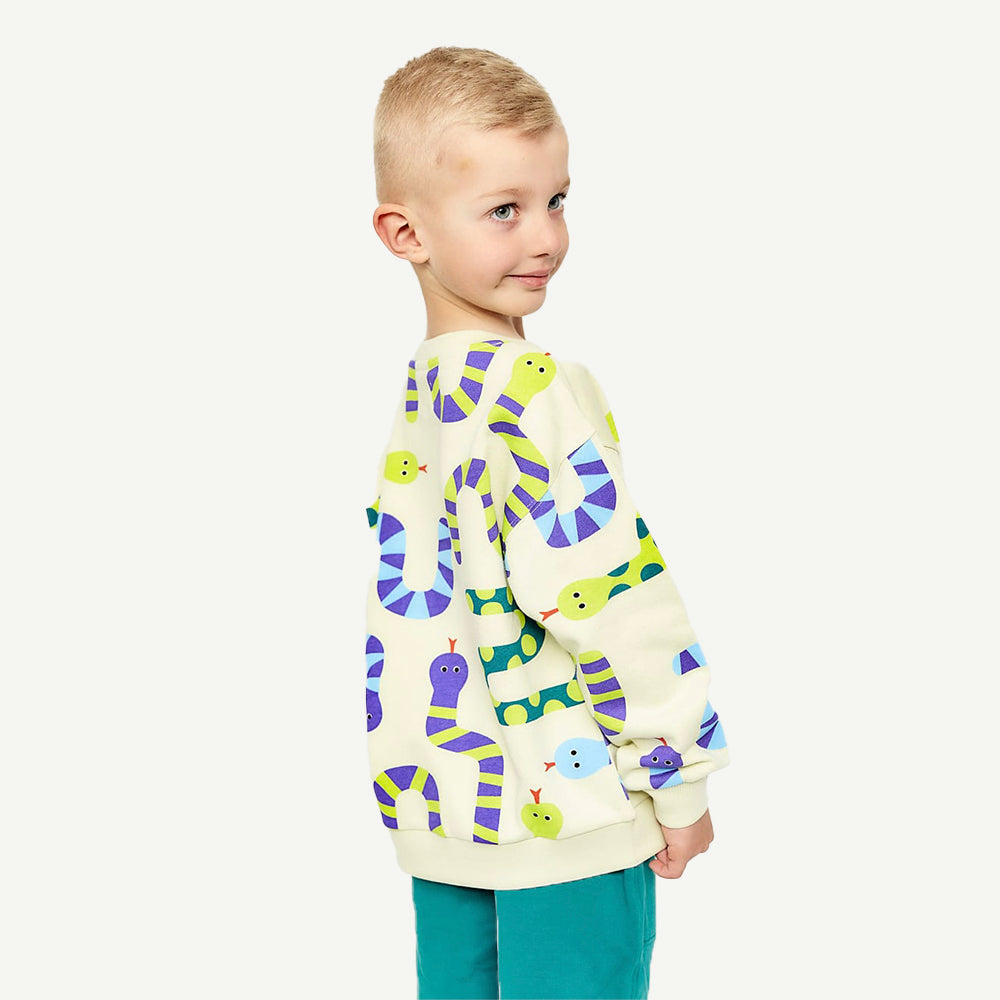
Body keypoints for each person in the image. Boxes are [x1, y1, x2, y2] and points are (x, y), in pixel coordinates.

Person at [365, 47, 730, 1000]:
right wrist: (676, 773)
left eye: (557, 200)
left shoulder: (425, 398)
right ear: (405, 232)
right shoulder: (535, 389)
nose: (546, 237)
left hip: (448, 818)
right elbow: (611, 598)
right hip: (571, 822)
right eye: (504, 209)